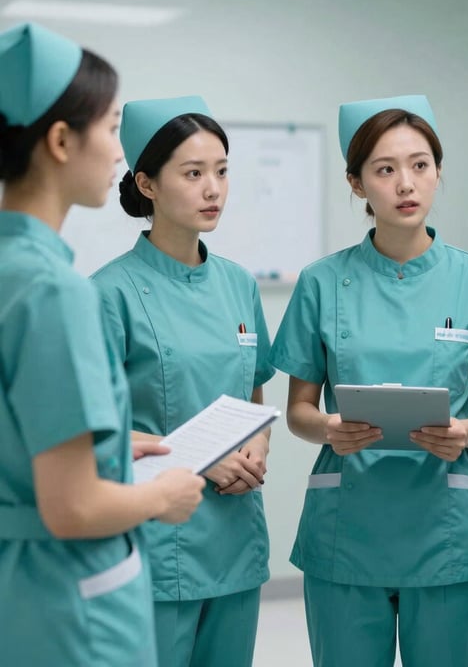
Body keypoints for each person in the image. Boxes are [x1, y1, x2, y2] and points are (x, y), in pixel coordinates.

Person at [269, 94, 468, 667]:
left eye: (420, 165)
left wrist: (466, 432)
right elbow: (299, 410)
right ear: (358, 184)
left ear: (438, 173)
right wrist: (328, 428)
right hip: (347, 529)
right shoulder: (321, 282)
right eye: (385, 170)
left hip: (445, 529)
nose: (405, 184)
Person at [0, 23, 205, 666]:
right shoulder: (54, 292)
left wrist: (115, 438)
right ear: (61, 140)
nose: (120, 153)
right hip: (74, 605)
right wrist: (162, 497)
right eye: (112, 128)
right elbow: (74, 505)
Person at [91, 96, 275, 667]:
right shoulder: (108, 294)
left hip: (236, 534)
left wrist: (257, 442)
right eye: (193, 174)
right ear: (146, 184)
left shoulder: (239, 285)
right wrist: (196, 461)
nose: (213, 189)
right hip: (155, 539)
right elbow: (93, 435)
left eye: (221, 171)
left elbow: (254, 388)